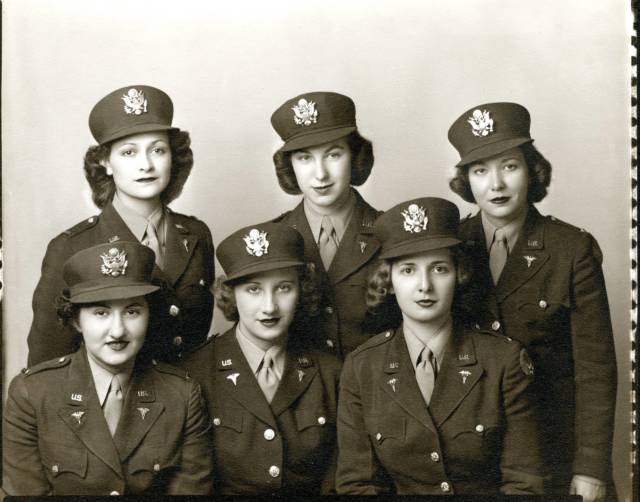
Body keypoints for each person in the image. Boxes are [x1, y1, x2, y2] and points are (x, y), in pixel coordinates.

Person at [447, 102, 617, 502]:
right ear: (466, 181)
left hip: (555, 450)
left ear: (532, 170)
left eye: (509, 166)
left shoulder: (571, 249)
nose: (496, 185)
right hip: (474, 456)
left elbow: (596, 370)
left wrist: (590, 468)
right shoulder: (450, 248)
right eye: (480, 170)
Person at [336, 197, 544, 495]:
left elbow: (524, 485)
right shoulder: (362, 367)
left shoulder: (503, 361)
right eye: (408, 270)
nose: (424, 285)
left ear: (459, 275)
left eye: (439, 269)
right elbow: (357, 486)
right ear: (389, 281)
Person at [2, 242, 213, 496]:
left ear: (150, 314)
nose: (118, 331)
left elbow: (191, 491)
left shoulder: (182, 395)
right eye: (101, 313)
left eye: (132, 311)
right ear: (76, 320)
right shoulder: (31, 394)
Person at [28, 85, 215, 365]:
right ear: (105, 161)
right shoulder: (71, 247)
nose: (146, 165)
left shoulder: (197, 235)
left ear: (172, 157)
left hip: (189, 401)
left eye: (158, 150)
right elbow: (46, 364)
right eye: (129, 153)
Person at [182, 222, 341, 495]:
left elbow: (337, 478)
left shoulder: (331, 372)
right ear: (231, 293)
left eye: (283, 288)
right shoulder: (193, 374)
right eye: (253, 290)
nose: (270, 307)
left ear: (301, 291)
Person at [270, 91, 400, 356]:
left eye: (333, 155)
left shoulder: (393, 234)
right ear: (290, 165)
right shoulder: (273, 240)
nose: (320, 174)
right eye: (304, 158)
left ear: (354, 156)